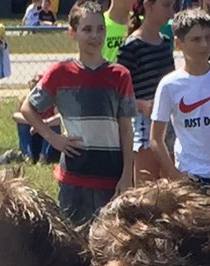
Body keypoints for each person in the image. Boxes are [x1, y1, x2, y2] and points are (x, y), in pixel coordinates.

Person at [20, 1, 136, 226]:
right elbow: (28, 107)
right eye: (87, 29)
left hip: (110, 177)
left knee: (111, 239)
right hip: (74, 178)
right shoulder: (60, 73)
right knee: (74, 240)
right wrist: (53, 138)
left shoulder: (120, 75)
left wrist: (126, 176)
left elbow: (125, 129)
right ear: (72, 32)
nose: (95, 36)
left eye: (100, 29)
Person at [150, 7, 210, 201]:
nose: (204, 45)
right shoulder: (170, 85)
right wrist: (176, 177)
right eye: (196, 39)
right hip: (192, 177)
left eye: (208, 37)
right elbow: (155, 139)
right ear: (178, 43)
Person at [117, 0, 175, 186]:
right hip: (143, 120)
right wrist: (142, 105)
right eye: (166, 6)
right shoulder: (131, 46)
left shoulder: (165, 43)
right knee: (146, 184)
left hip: (166, 120)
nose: (171, 13)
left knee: (171, 180)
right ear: (149, 6)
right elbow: (118, 93)